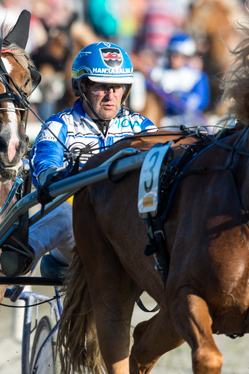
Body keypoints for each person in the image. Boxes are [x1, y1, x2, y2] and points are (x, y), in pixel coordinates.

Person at [19, 42, 156, 269]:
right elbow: (44, 166)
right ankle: (15, 259)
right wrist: (57, 176)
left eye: (118, 86)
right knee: (65, 213)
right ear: (81, 86)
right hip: (78, 231)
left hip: (129, 228)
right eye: (101, 86)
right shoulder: (58, 124)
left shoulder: (142, 127)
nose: (111, 96)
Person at [149, 33, 211, 124]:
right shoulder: (156, 73)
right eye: (171, 54)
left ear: (186, 57)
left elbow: (201, 101)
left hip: (188, 123)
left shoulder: (196, 76)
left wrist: (179, 99)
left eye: (177, 56)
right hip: (163, 121)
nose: (172, 59)